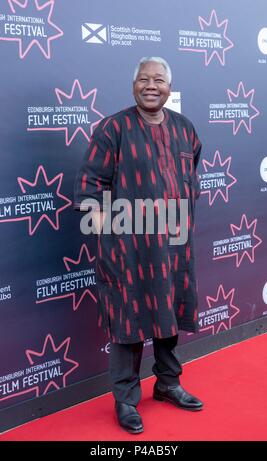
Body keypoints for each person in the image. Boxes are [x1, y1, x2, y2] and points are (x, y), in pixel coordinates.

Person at [74, 57, 203, 434]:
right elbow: (90, 185)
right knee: (128, 324)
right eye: (144, 79)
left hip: (174, 245)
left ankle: (167, 383)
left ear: (168, 87)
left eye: (158, 80)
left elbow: (191, 171)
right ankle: (126, 400)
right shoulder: (113, 128)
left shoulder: (185, 129)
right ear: (134, 86)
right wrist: (109, 236)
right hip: (128, 247)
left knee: (169, 316)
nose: (151, 85)